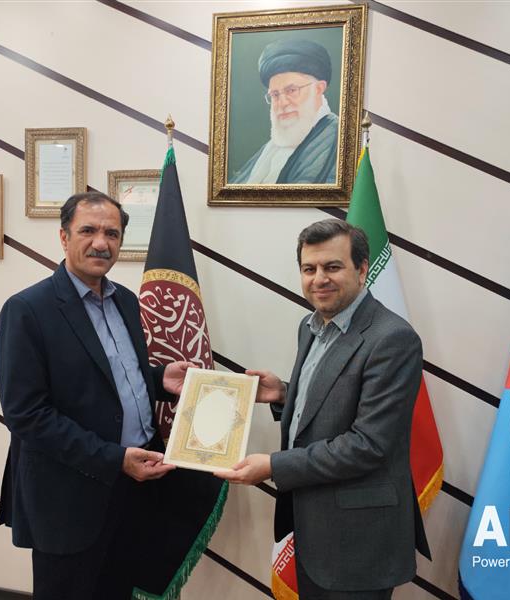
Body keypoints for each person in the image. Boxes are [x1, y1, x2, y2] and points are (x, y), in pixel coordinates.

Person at [216, 219, 430, 599]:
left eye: (332, 267)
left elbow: (368, 445)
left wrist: (274, 465)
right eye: (309, 269)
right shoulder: (310, 325)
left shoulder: (393, 338)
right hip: (312, 528)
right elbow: (334, 400)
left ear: (362, 270)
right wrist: (284, 394)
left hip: (358, 542)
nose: (319, 279)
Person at [0, 191, 192, 599]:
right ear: (64, 237)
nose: (101, 243)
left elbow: (107, 378)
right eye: (88, 230)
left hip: (135, 490)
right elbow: (26, 414)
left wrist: (160, 380)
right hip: (70, 498)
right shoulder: (28, 309)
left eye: (112, 233)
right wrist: (113, 459)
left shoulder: (126, 301)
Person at [230, 39, 339, 185]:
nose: (282, 103)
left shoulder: (335, 136)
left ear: (318, 89)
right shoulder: (272, 148)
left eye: (291, 90)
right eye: (275, 94)